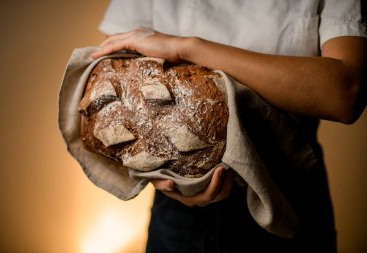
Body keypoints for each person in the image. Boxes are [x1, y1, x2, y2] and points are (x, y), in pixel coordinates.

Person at [91, 0, 367, 252]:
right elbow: (112, 83)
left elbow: (345, 93)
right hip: (179, 216)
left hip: (287, 196)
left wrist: (188, 48)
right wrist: (156, 175)